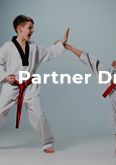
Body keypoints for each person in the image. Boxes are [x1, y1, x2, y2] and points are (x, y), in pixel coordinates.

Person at [0, 15, 69, 153]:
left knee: (39, 115)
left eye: (32, 27)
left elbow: (49, 53)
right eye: (29, 28)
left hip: (29, 87)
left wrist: (61, 44)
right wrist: (6, 76)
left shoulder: (34, 47)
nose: (33, 30)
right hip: (12, 87)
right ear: (20, 29)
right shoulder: (7, 47)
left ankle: (47, 143)